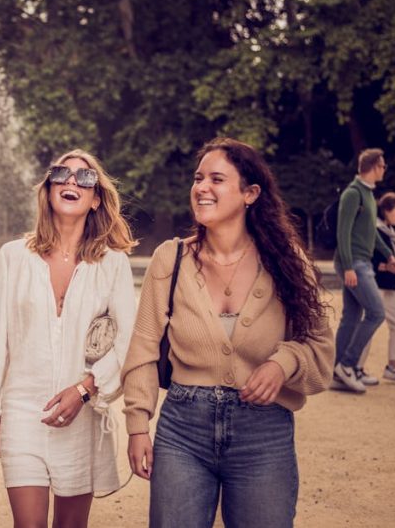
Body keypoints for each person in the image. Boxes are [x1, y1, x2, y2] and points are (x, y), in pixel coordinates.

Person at [121, 138, 334, 527]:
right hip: (182, 431)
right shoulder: (170, 259)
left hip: (264, 433)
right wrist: (138, 425)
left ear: (250, 193)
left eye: (217, 179)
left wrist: (282, 364)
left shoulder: (287, 261)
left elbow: (320, 346)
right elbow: (143, 349)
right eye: (198, 178)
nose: (202, 187)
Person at [0, 149, 138, 527]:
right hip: (22, 414)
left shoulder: (112, 264)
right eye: (61, 174)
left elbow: (127, 340)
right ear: (48, 190)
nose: (71, 182)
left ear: (96, 199)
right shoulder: (13, 257)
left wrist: (84, 390)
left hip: (83, 417)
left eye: (84, 177)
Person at [332, 148, 395, 393]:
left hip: (362, 262)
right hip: (354, 264)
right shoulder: (353, 194)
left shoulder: (369, 195)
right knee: (376, 313)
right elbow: (343, 232)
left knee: (351, 317)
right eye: (383, 165)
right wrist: (348, 267)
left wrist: (390, 255)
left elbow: (370, 234)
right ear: (373, 166)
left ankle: (335, 371)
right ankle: (348, 365)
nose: (385, 169)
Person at [357, 192, 395, 385]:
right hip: (376, 285)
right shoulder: (375, 230)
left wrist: (393, 265)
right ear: (386, 210)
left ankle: (392, 366)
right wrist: (386, 266)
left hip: (386, 285)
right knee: (371, 324)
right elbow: (365, 259)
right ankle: (355, 368)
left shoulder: (390, 231)